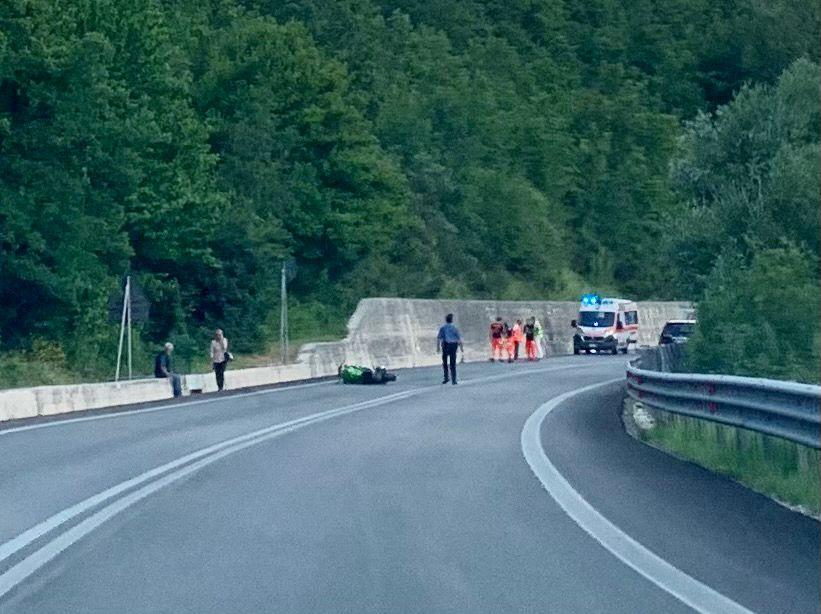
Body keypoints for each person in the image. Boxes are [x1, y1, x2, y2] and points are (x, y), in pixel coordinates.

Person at [437, 313, 463, 385]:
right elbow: (459, 338)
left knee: (445, 362)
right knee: (452, 363)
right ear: (452, 320)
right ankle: (454, 380)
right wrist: (461, 347)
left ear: (446, 320)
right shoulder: (455, 328)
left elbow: (439, 338)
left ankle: (446, 377)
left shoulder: (443, 328)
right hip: (453, 346)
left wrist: (438, 347)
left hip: (445, 345)